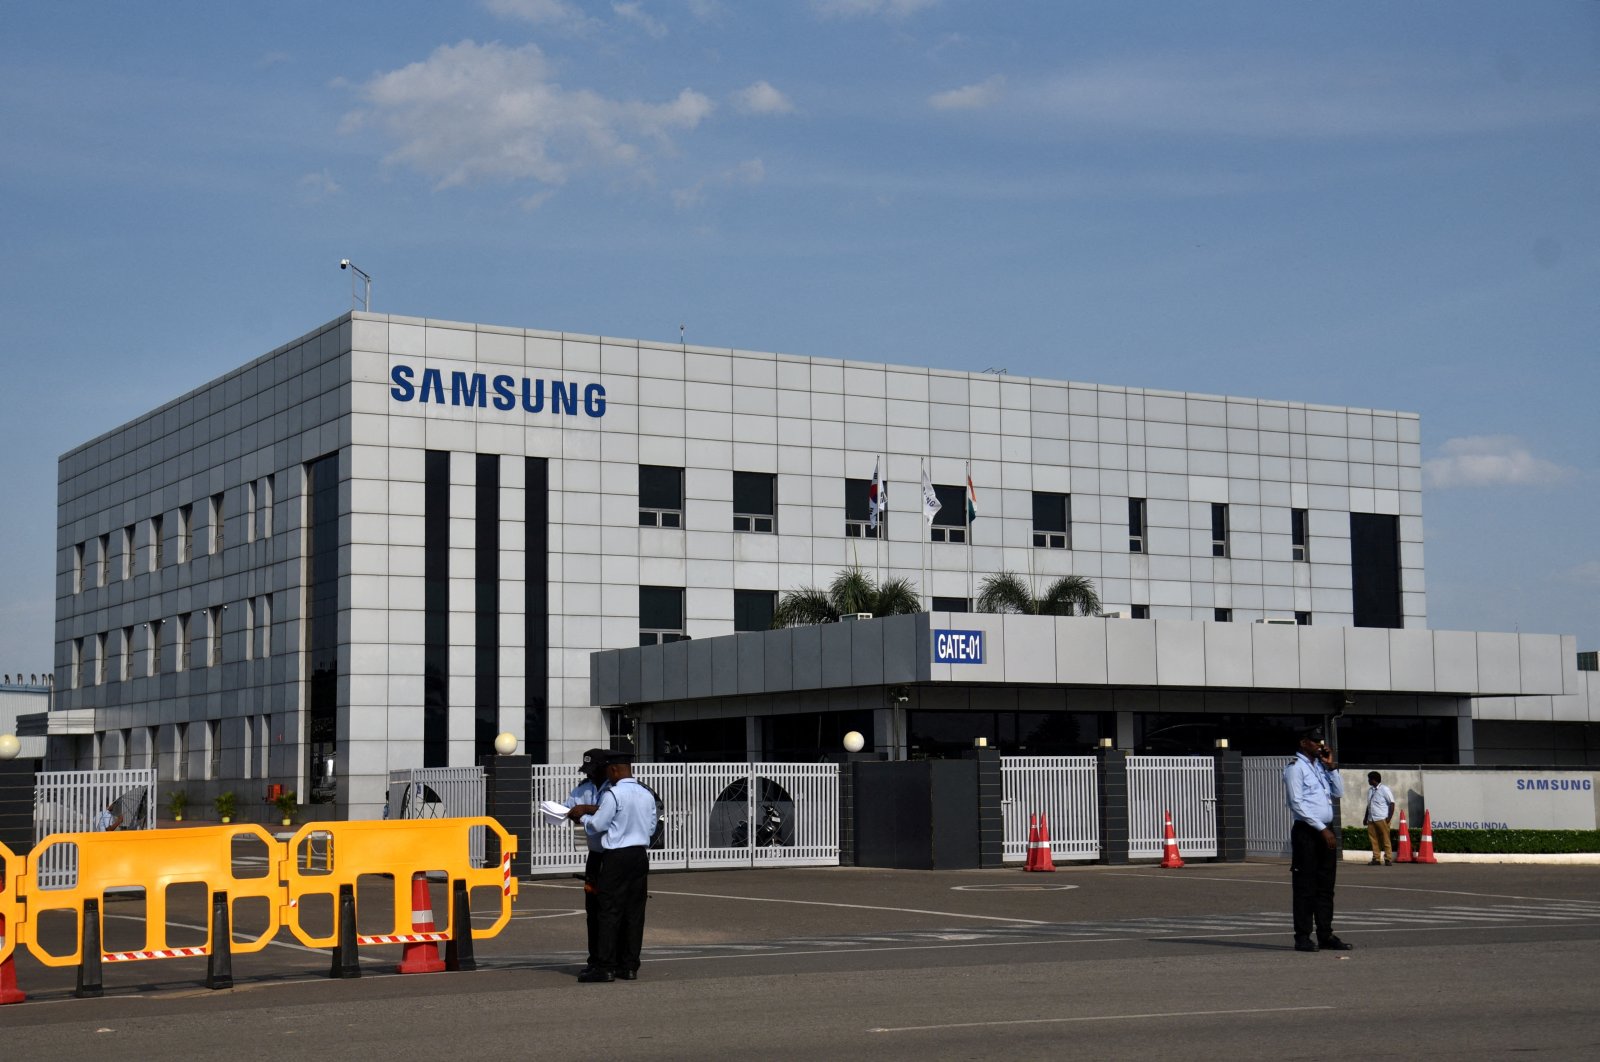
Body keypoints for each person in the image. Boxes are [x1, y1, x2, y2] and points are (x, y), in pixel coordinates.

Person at [567, 747, 656, 982]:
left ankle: (604, 966)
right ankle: (628, 966)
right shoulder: (646, 794)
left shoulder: (613, 795)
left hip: (615, 856)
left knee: (608, 911)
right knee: (634, 912)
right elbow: (651, 827)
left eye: (608, 769)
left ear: (615, 769)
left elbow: (597, 825)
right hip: (639, 856)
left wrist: (583, 817)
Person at [1283, 726, 1351, 953]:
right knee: (1305, 887)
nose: (1320, 745)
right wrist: (1322, 829)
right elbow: (1297, 803)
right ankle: (1302, 937)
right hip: (1308, 833)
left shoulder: (1320, 767)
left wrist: (1331, 767)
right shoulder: (1296, 768)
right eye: (1314, 741)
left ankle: (1325, 934)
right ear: (1303, 743)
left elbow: (1339, 793)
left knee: (1326, 886)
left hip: (1325, 831)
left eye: (1321, 741)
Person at [565, 748, 612, 975]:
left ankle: (611, 959)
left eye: (594, 770)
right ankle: (596, 958)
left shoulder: (614, 789)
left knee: (611, 910)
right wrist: (568, 812)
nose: (591, 775)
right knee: (592, 911)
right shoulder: (583, 787)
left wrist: (585, 810)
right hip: (595, 856)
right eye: (588, 771)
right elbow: (569, 807)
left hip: (613, 856)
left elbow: (611, 813)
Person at [1365, 771, 1396, 866]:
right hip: (1371, 818)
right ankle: (1376, 859)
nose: (1368, 781)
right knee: (1373, 839)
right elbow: (1369, 805)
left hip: (1382, 818)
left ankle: (1388, 858)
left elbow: (1392, 803)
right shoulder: (1370, 790)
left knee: (1385, 839)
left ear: (1374, 780)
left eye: (1369, 779)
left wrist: (1389, 818)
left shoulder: (1384, 789)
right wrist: (1365, 817)